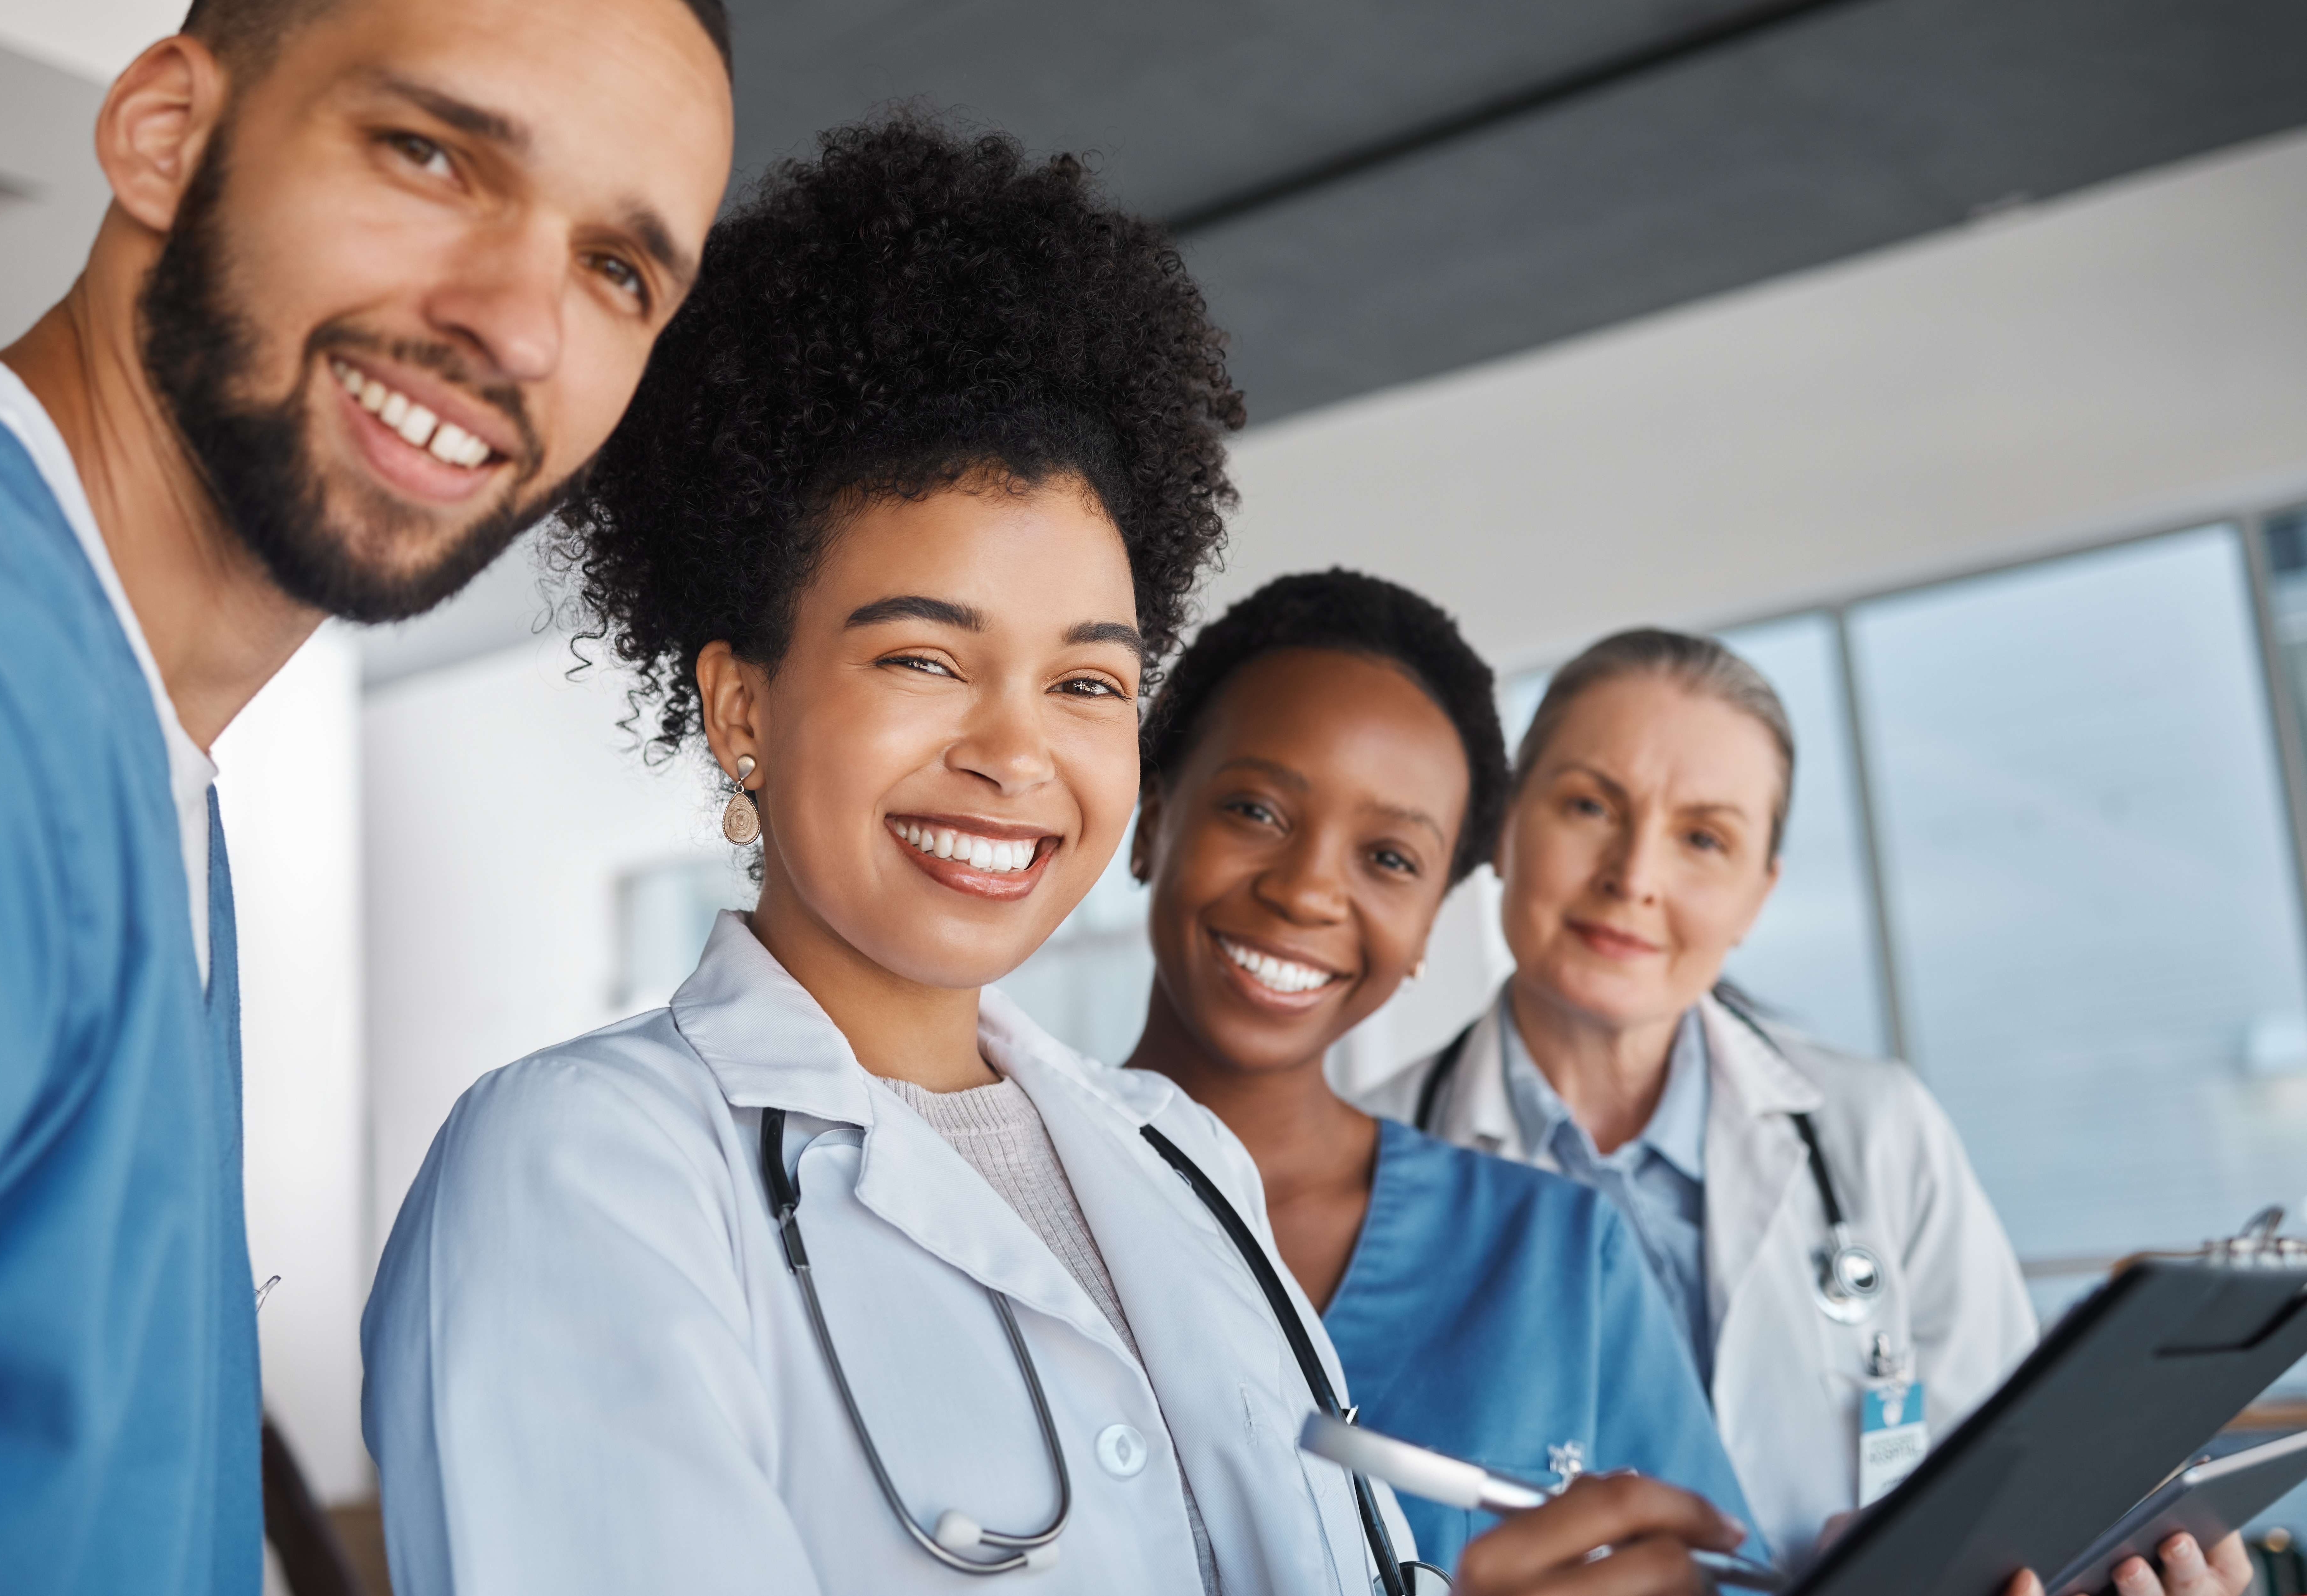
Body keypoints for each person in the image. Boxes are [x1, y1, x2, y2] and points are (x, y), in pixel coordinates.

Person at [361, 117, 1747, 1596]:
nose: (1017, 755)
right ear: (743, 703)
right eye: (922, 658)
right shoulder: (584, 1163)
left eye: (1088, 683)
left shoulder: (1175, 1160)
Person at [0, 0, 733, 1589]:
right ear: (167, 133)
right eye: (431, 154)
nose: (516, 324)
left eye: (617, 272)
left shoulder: (134, 752)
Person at [1365, 628, 2254, 1596]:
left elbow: (2014, 1503)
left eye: (1703, 837)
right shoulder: (1357, 1170)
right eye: (1588, 805)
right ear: (1503, 823)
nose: (1635, 876)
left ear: (1757, 895)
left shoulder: (1878, 1131)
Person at [1123, 569, 1767, 1578]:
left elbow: (1724, 1576)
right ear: (1150, 815)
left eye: (1388, 858)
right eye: (1254, 808)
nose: (1304, 892)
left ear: (1429, 922)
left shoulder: (1557, 1254)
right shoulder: (976, 1200)